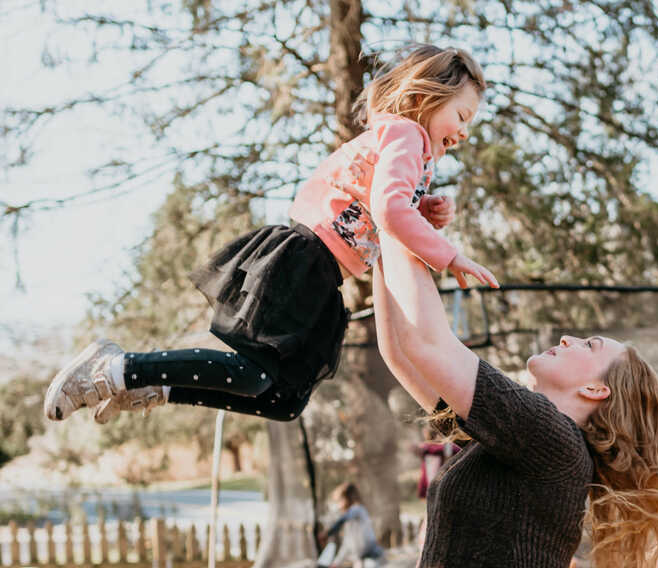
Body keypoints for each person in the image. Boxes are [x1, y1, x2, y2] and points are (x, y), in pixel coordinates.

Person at [43, 44, 497, 425]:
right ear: (426, 96)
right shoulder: (407, 135)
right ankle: (118, 369)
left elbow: (388, 206)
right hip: (305, 261)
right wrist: (447, 254)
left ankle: (157, 387)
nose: (464, 131)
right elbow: (388, 208)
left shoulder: (405, 145)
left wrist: (425, 211)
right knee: (253, 373)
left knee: (283, 400)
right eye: (461, 115)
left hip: (325, 278)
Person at [372, 234, 658, 568]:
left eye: (590, 345)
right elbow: (400, 352)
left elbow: (427, 344)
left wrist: (397, 215)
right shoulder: (510, 439)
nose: (569, 337)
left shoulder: (554, 440)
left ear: (595, 390)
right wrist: (383, 240)